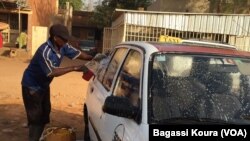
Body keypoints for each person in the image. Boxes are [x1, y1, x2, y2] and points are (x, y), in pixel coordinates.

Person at [21, 23, 93, 141]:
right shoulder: (44, 51)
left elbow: (79, 54)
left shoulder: (63, 46)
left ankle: (38, 135)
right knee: (36, 118)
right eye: (63, 39)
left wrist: (93, 57)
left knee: (45, 113)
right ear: (55, 38)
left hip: (43, 85)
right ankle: (33, 137)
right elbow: (51, 72)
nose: (66, 41)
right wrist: (75, 68)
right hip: (31, 86)